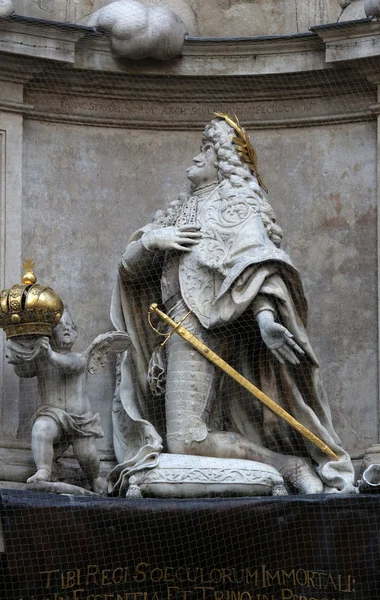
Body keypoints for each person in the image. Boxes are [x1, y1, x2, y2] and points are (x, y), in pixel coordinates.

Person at [110, 116, 355, 495]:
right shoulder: (179, 210)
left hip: (203, 324)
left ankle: (288, 467)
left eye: (206, 150)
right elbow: (128, 267)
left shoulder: (236, 205)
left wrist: (265, 318)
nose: (196, 157)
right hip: (173, 325)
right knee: (190, 437)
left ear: (223, 161)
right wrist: (153, 240)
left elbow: (256, 264)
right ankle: (282, 469)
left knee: (186, 439)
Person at [6, 309, 105, 493]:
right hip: (52, 415)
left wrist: (49, 354)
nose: (66, 329)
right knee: (41, 429)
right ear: (49, 333)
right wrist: (17, 353)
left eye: (70, 327)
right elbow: (24, 372)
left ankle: (95, 478)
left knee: (87, 455)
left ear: (76, 333)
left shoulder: (79, 358)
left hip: (80, 420)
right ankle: (44, 470)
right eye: (60, 326)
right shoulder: (41, 359)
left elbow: (68, 366)